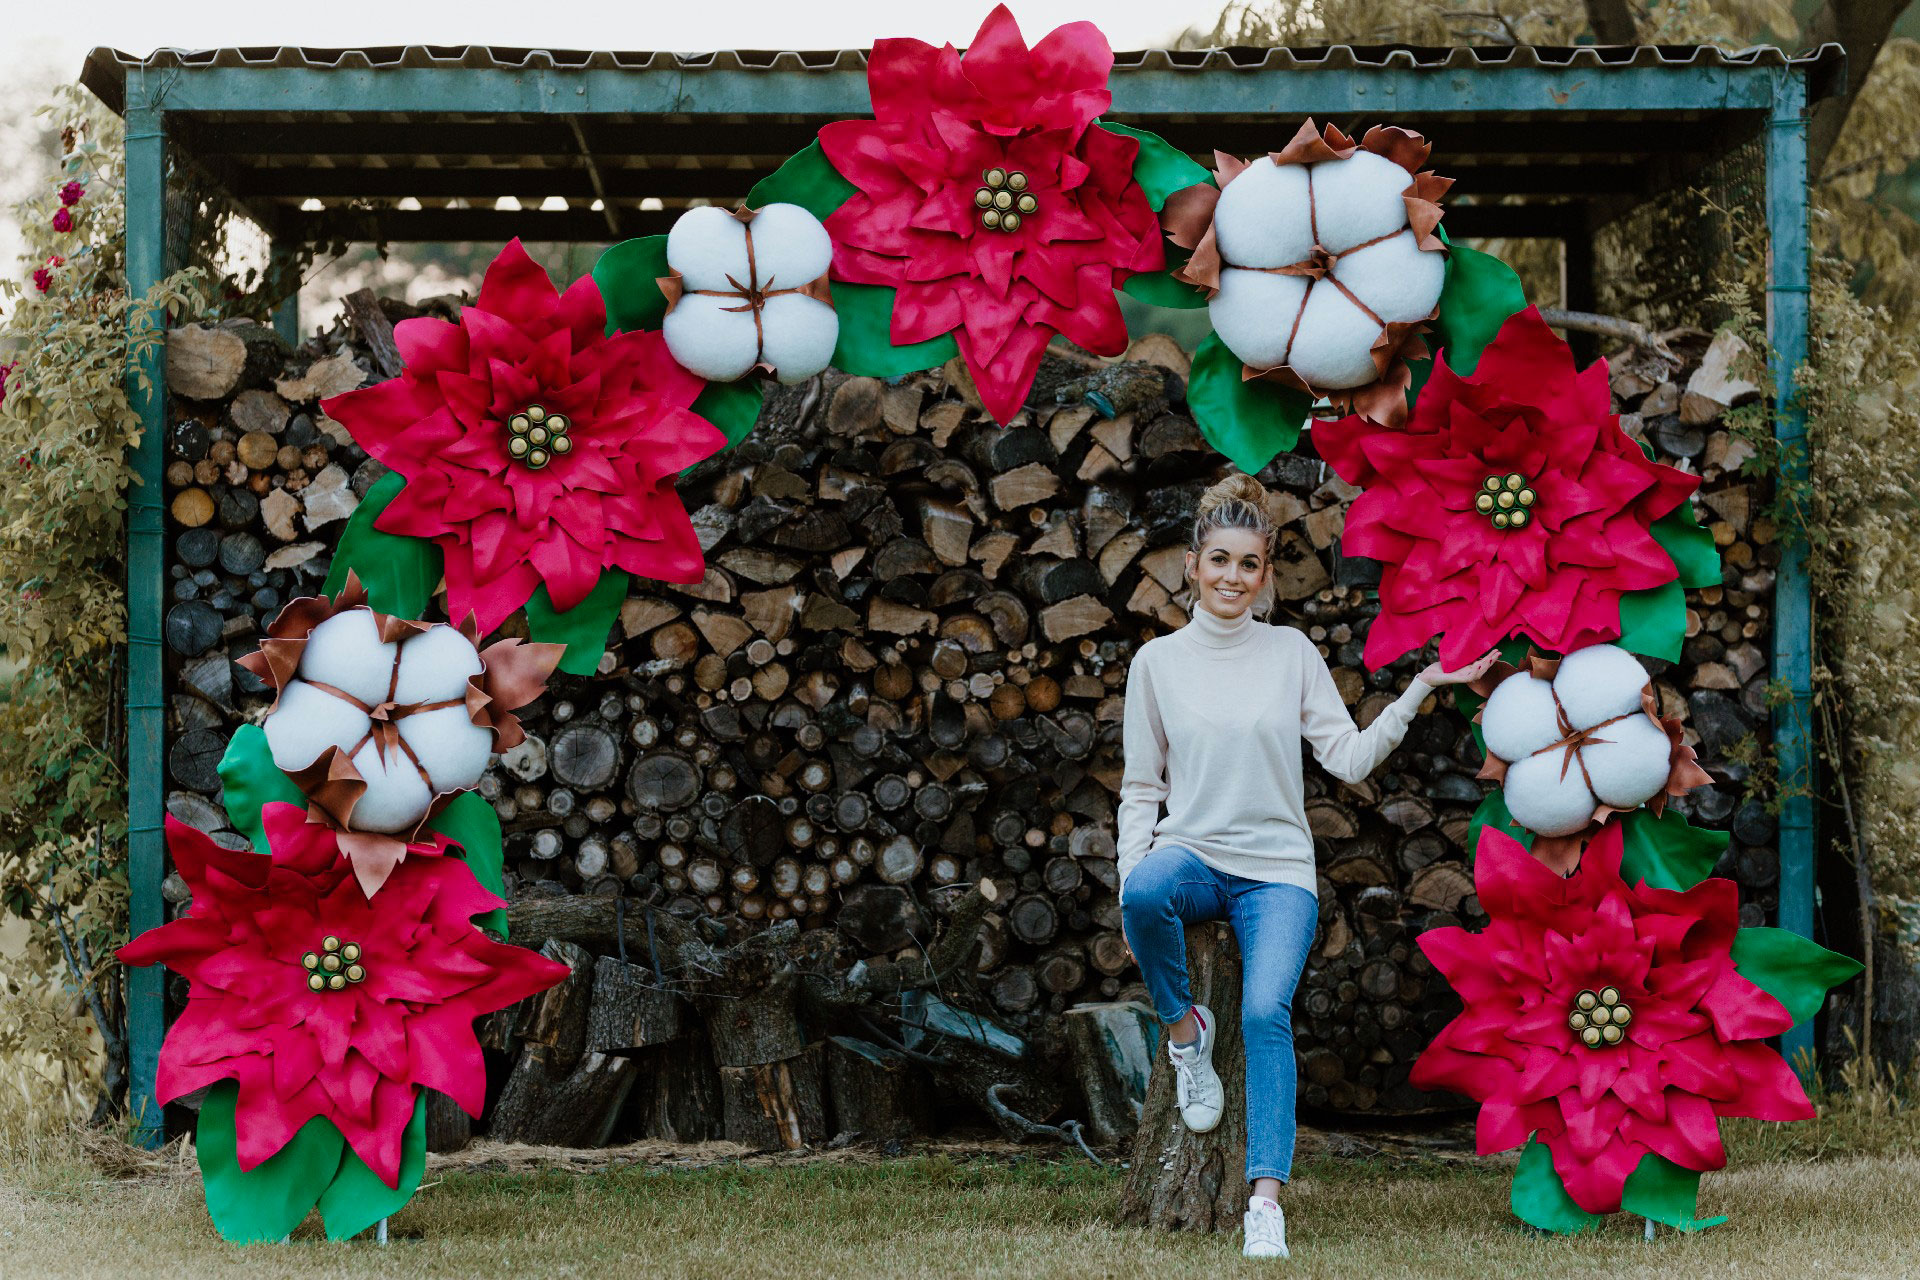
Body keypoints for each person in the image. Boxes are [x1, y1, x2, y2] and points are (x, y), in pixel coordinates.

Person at [1117, 473, 1495, 1260]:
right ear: (1191, 565)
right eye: (1217, 560)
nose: (1231, 578)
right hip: (1193, 856)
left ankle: (1265, 1203)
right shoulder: (1156, 663)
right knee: (1145, 887)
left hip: (1276, 872)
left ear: (1266, 576)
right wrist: (1128, 887)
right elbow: (1141, 788)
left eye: (1248, 565)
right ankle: (1187, 1039)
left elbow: (1349, 758)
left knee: (1264, 1015)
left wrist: (1423, 684)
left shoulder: (1290, 653)